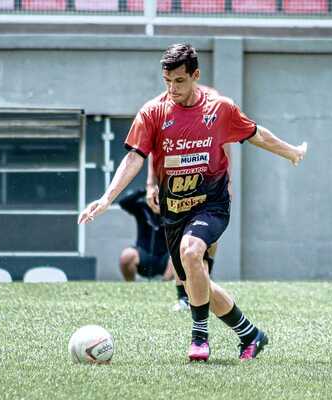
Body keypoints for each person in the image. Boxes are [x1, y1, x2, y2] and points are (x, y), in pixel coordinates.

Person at [79, 43, 307, 362]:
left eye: (180, 81)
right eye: (167, 81)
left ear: (195, 75)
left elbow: (256, 134)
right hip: (174, 213)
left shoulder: (220, 108)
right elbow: (134, 158)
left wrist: (291, 151)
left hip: (211, 204)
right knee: (197, 283)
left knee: (191, 251)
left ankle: (199, 338)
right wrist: (106, 198)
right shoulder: (153, 112)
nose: (172, 88)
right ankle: (250, 335)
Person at [118, 186, 213, 312]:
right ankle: (129, 286)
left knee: (177, 255)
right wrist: (145, 190)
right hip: (144, 253)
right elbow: (123, 202)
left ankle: (169, 287)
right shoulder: (142, 207)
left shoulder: (174, 209)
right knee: (126, 255)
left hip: (166, 256)